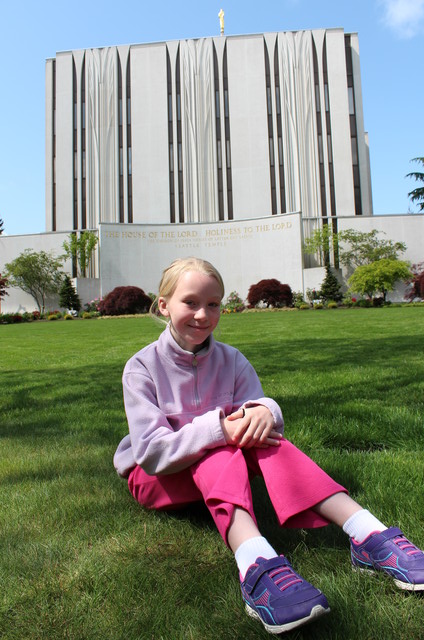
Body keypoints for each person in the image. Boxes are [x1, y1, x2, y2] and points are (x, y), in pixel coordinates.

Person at [114, 257, 424, 635]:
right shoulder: (142, 367)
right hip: (156, 477)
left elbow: (257, 407)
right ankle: (256, 564)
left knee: (265, 439)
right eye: (190, 302)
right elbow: (152, 453)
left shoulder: (231, 359)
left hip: (219, 464)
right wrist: (219, 430)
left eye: (213, 304)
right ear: (163, 305)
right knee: (219, 447)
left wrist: (265, 411)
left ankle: (368, 533)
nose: (202, 314)